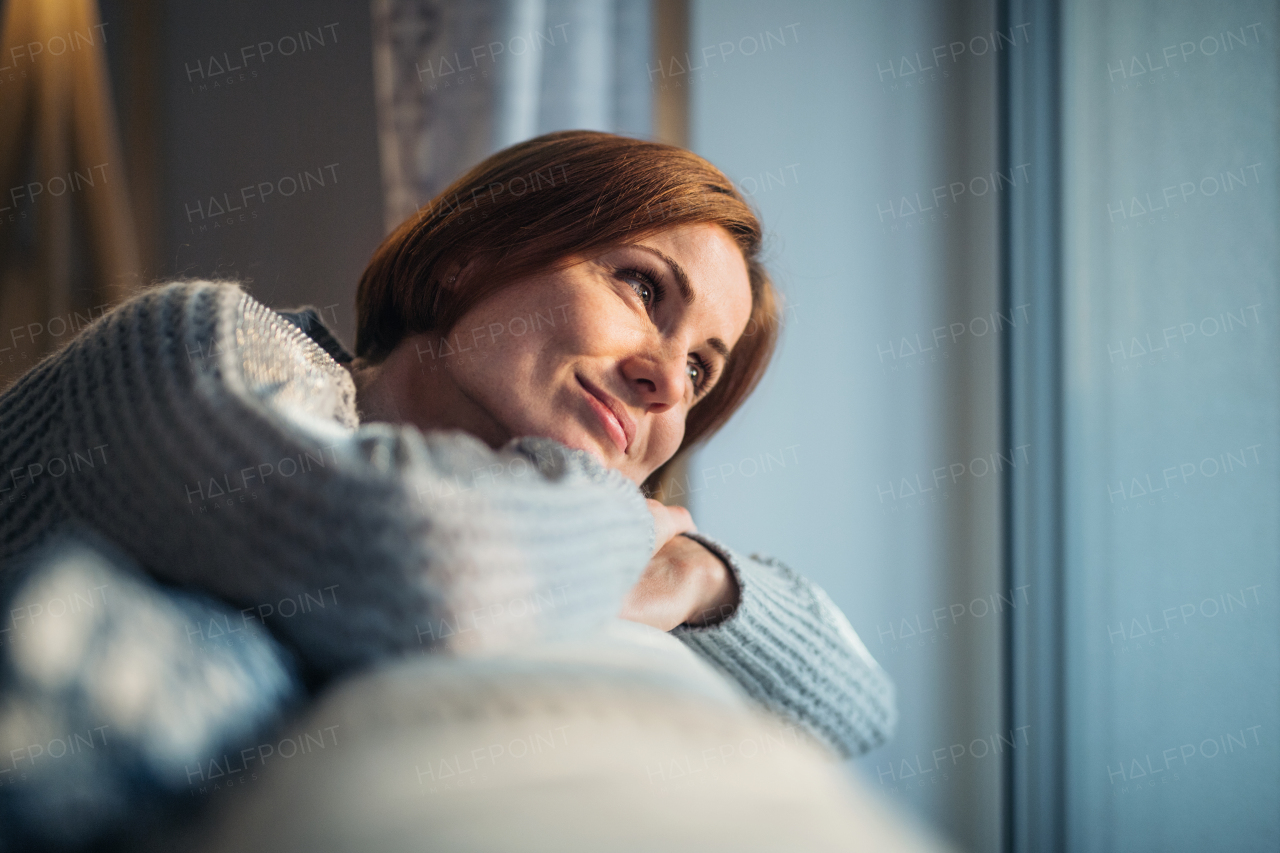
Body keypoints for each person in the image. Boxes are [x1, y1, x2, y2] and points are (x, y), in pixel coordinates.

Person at [0, 130, 894, 764]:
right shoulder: (193, 344)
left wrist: (693, 577)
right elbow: (417, 559)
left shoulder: (558, 544)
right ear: (471, 256)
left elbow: (858, 704)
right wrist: (620, 528)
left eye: (703, 369)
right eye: (641, 287)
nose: (668, 378)